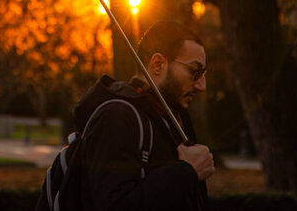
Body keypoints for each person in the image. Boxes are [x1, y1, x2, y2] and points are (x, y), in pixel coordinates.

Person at [74, 21, 214, 210]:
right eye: (194, 72)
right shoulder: (116, 118)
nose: (201, 86)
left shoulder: (173, 118)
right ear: (158, 64)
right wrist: (186, 172)